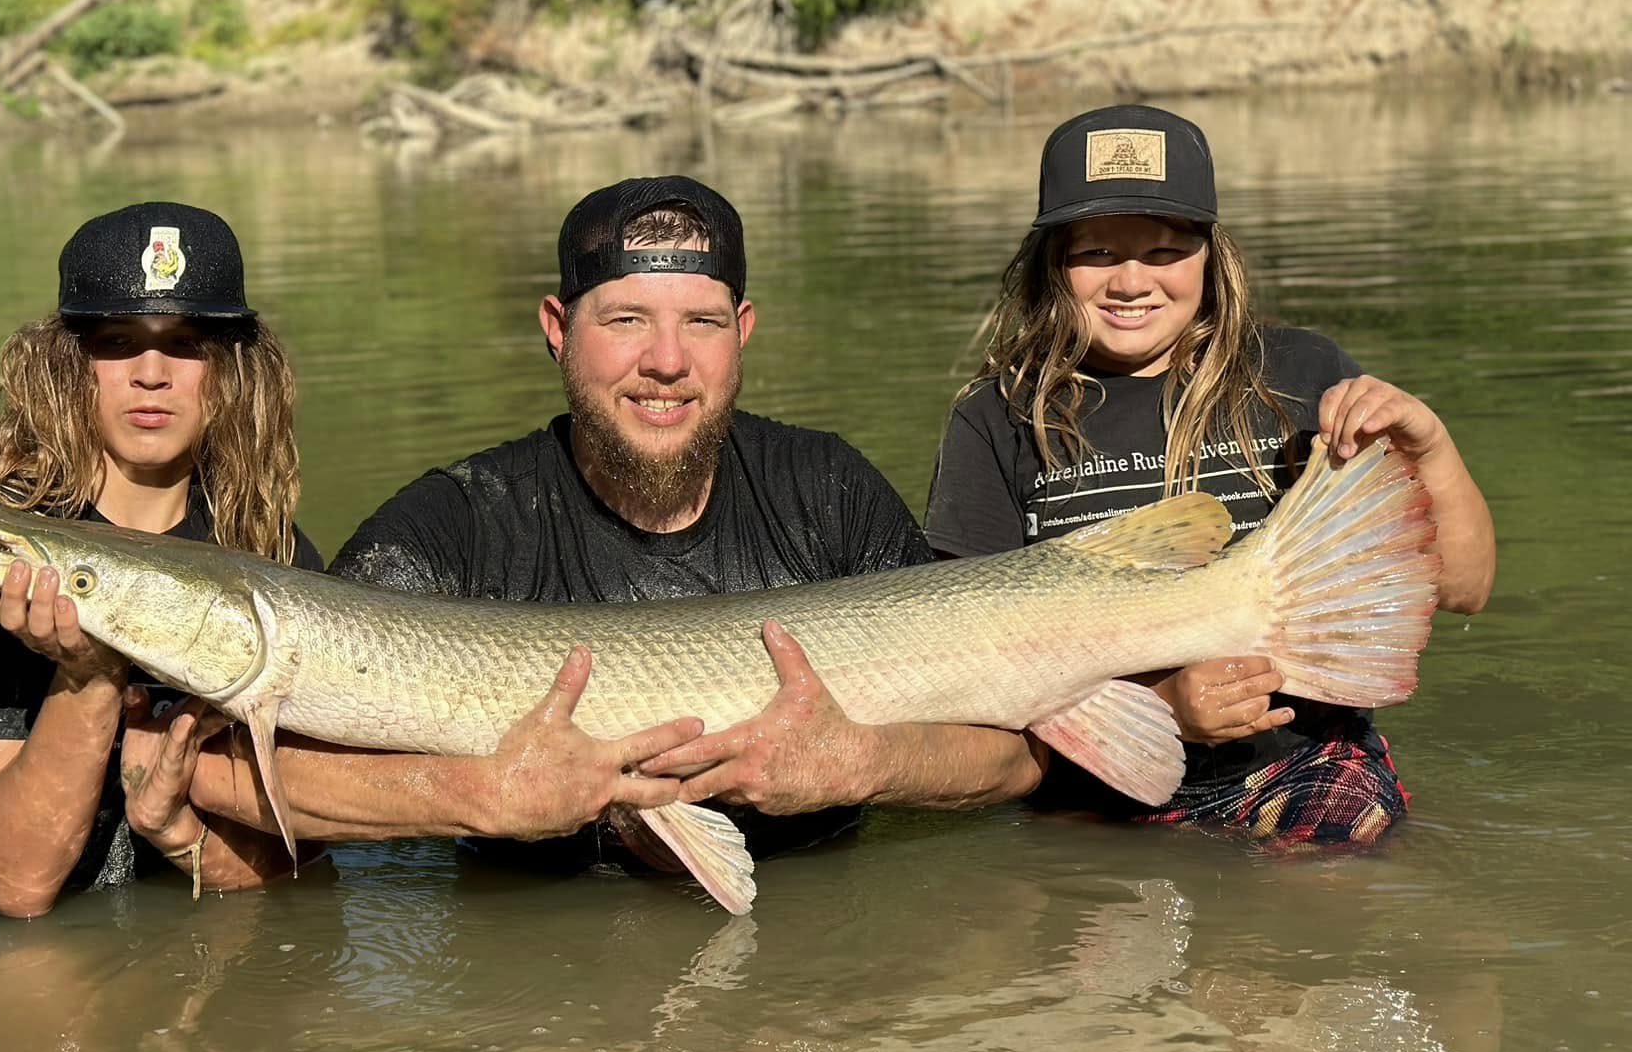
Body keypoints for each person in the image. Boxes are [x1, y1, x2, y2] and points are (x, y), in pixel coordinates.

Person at [188, 175, 1047, 877]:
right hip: (538, 976)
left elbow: (1014, 757)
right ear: (559, 331)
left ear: (741, 334)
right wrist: (476, 793)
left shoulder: (828, 490)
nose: (666, 360)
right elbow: (232, 770)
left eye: (701, 322)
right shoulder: (450, 526)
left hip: (813, 956)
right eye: (626, 319)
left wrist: (867, 764)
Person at [924, 105, 1495, 846]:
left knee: (1330, 917)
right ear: (1052, 264)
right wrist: (1165, 705)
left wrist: (1433, 446)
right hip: (1092, 787)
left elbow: (1462, 589)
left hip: (1298, 768)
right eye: (1096, 252)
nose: (1131, 282)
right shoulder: (991, 419)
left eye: (1164, 251)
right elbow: (964, 667)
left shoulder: (1300, 375)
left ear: (1208, 255)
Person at [0, 201, 327, 915]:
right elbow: (20, 888)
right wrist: (87, 675)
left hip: (170, 914)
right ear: (67, 365)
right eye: (117, 341)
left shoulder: (271, 552)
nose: (152, 374)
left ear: (235, 371)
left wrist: (177, 834)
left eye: (185, 343)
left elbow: (305, 862)